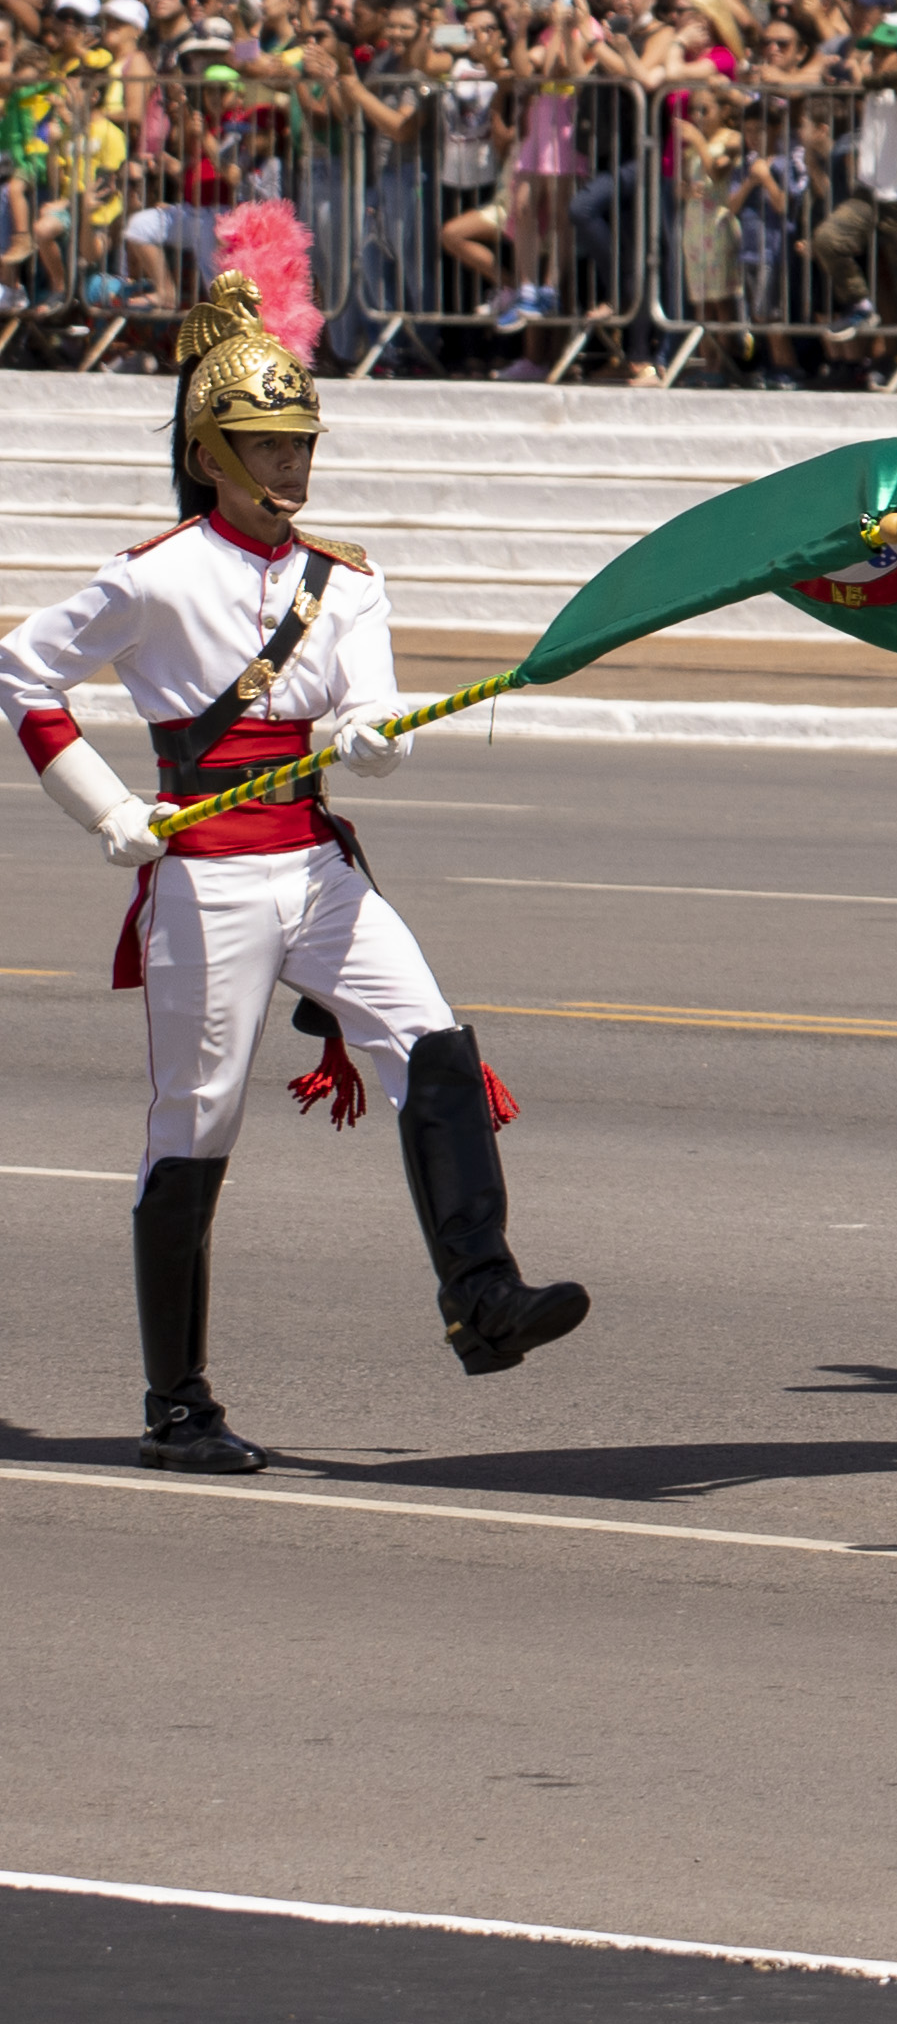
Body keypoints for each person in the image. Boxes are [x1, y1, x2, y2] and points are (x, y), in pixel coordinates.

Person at [5, 231, 583, 1472]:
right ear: (210, 454)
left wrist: (369, 734)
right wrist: (105, 806)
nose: (293, 469)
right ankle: (178, 1404)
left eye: (304, 446)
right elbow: (23, 672)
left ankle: (482, 1295)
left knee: (432, 1038)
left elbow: (363, 700)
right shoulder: (151, 577)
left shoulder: (347, 580)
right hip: (204, 874)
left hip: (315, 861)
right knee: (195, 1122)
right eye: (270, 447)